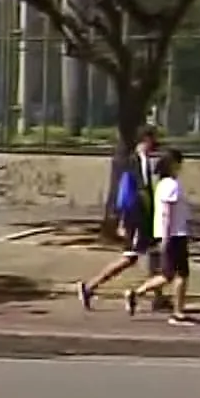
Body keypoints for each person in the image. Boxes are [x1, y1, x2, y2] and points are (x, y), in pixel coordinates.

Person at [76, 128, 164, 309]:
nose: (155, 144)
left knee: (155, 254)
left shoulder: (148, 162)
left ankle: (158, 297)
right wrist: (123, 220)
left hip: (148, 218)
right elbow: (126, 193)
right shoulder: (133, 162)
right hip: (137, 219)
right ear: (145, 140)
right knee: (129, 258)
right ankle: (90, 286)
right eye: (152, 140)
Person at [127, 149, 195, 325]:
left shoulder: (163, 184)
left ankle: (136, 293)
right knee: (181, 275)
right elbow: (167, 213)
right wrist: (166, 237)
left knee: (168, 275)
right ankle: (177, 313)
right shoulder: (171, 185)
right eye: (179, 163)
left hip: (173, 233)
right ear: (173, 164)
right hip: (174, 235)